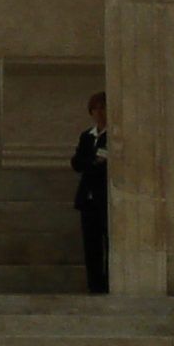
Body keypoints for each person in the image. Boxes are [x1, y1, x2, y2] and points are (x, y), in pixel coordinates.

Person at [71, 92, 111, 295]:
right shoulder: (87, 136)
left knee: (108, 241)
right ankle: (94, 285)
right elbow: (77, 163)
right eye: (95, 109)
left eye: (103, 108)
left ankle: (108, 283)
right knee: (91, 244)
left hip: (105, 197)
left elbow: (102, 166)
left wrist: (92, 164)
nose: (99, 112)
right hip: (88, 197)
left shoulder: (112, 135)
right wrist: (93, 163)